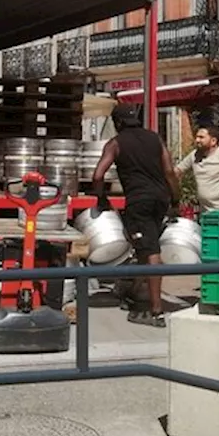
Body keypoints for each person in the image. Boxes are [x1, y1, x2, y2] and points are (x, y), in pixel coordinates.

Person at [91, 103, 179, 328]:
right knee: (143, 245)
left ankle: (156, 312)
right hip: (160, 198)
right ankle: (139, 294)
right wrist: (176, 200)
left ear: (118, 123)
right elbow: (169, 171)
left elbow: (98, 175)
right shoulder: (155, 138)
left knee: (150, 251)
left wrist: (101, 199)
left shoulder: (116, 143)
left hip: (139, 201)